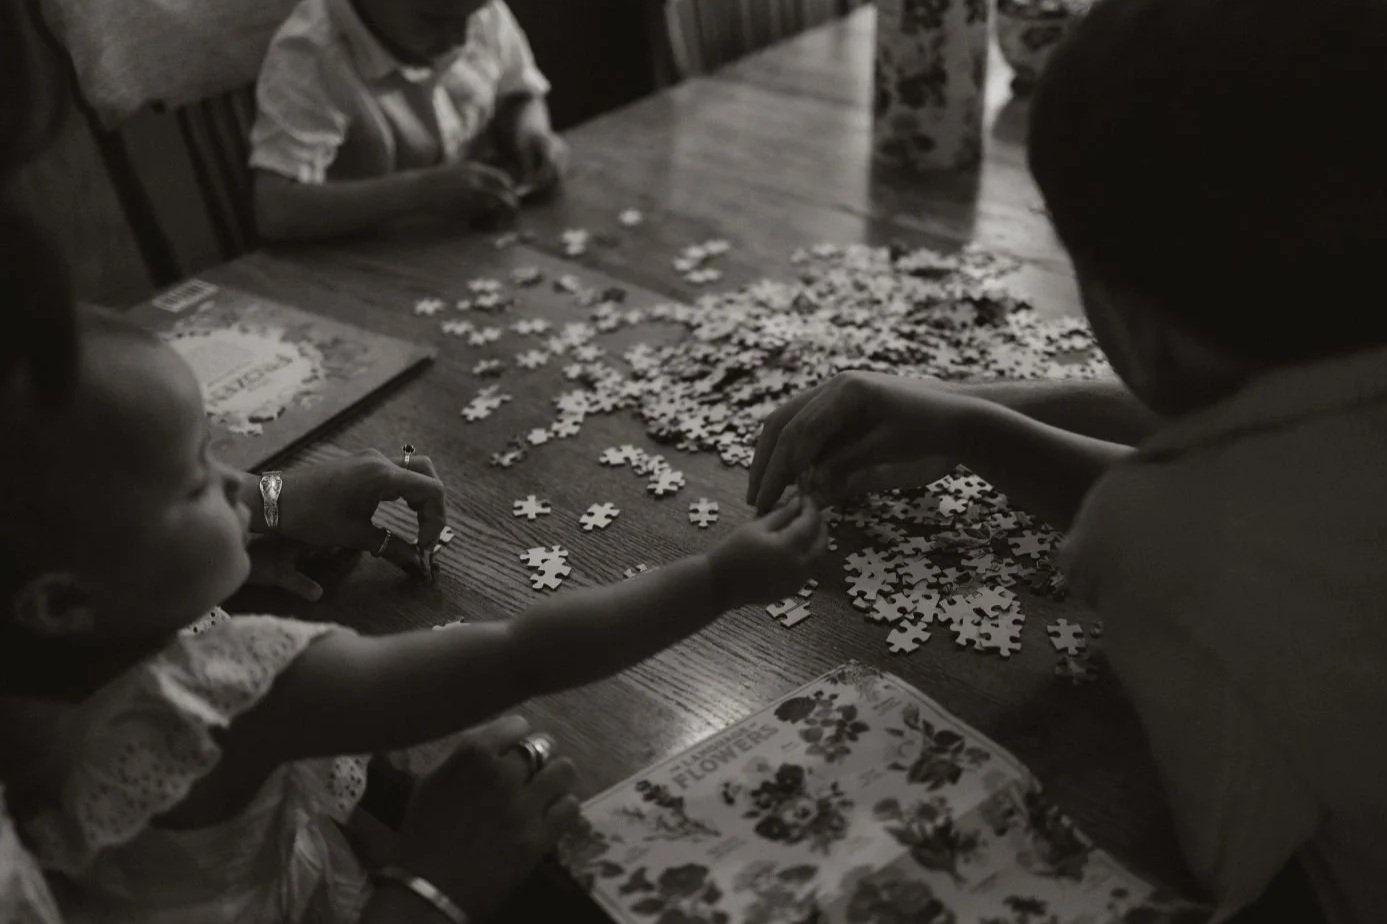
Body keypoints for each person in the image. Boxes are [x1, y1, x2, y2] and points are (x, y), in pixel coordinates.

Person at [746, 0, 1387, 921]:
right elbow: (1266, 466)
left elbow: (1232, 852)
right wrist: (964, 406)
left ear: (1123, 318)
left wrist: (971, 423)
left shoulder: (1160, 542)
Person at [0, 300, 825, 923]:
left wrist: (272, 505)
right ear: (63, 603)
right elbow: (521, 654)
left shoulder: (35, 684)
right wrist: (718, 580)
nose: (238, 481)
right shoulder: (223, 692)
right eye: (198, 477)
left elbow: (152, 513)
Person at [250, 0, 568, 242]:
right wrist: (421, 192)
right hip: (366, 265)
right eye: (431, 19)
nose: (459, 39)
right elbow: (276, 210)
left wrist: (531, 133)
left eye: (469, 16)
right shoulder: (310, 55)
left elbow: (519, 94)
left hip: (466, 245)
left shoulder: (473, 9)